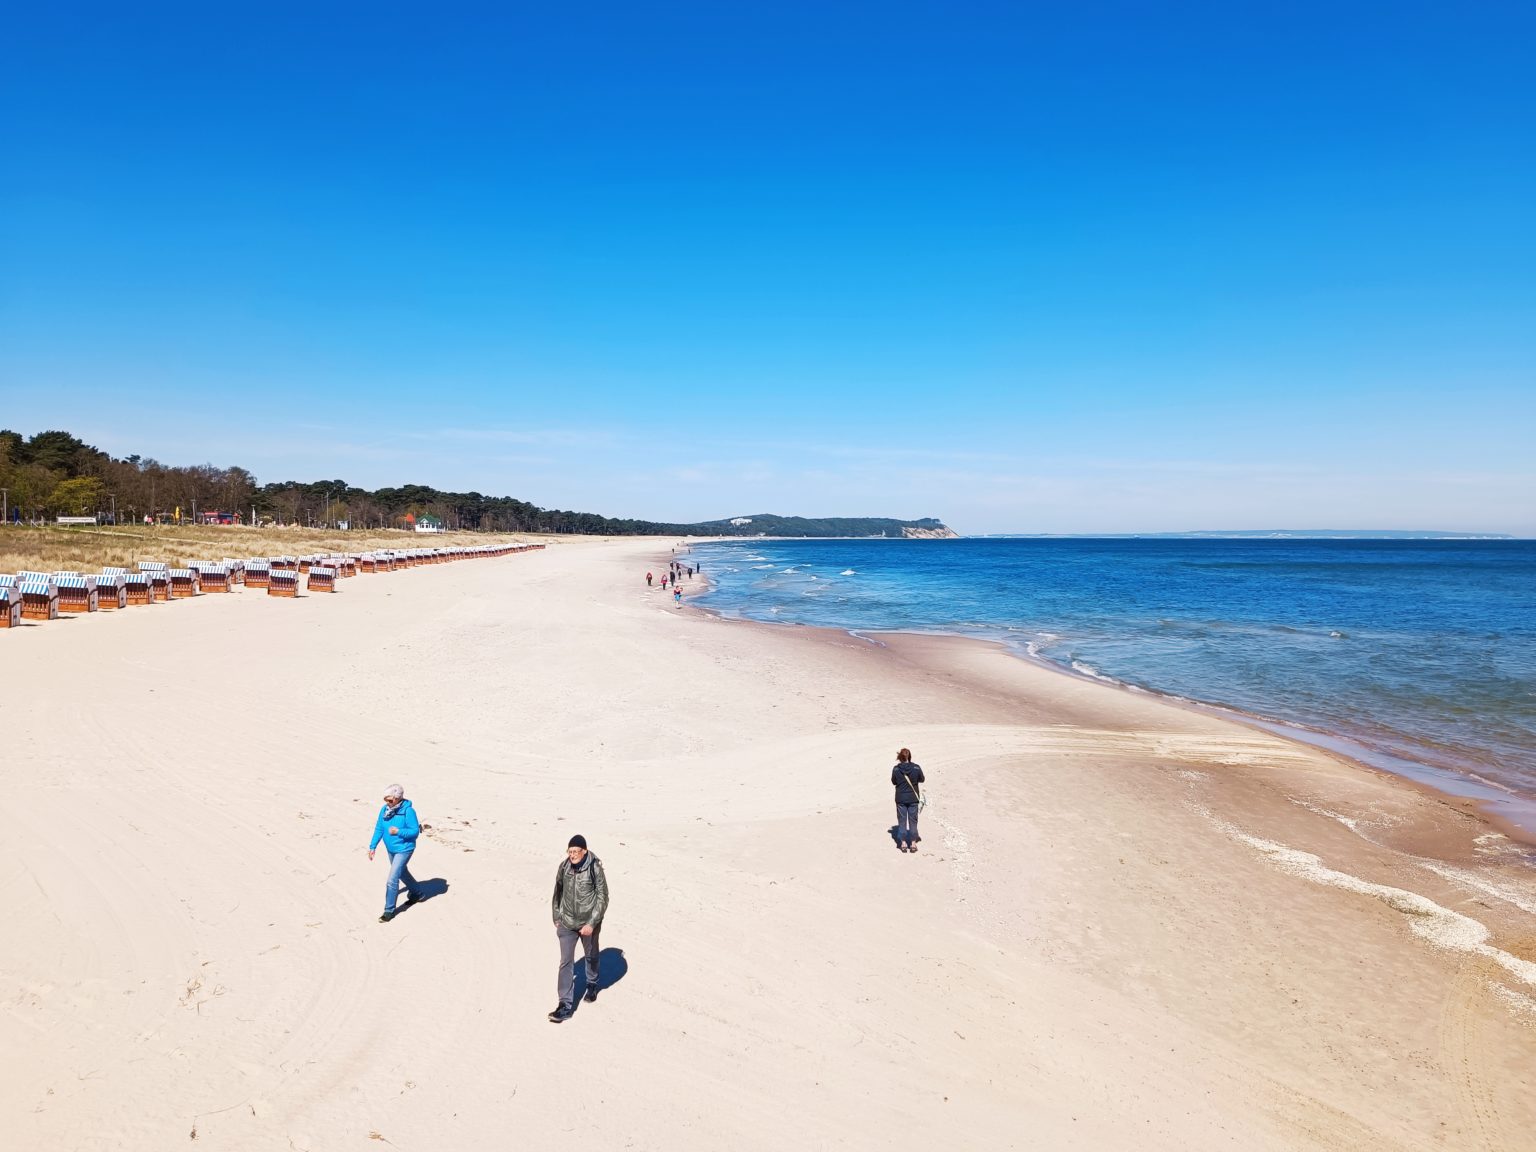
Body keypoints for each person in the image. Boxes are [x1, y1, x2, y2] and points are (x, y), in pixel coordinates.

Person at [549, 835, 610, 1022]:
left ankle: (592, 983)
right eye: (570, 851)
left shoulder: (594, 868)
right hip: (566, 923)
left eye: (576, 851)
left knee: (591, 955)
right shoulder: (564, 867)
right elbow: (557, 891)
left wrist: (591, 923)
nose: (572, 855)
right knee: (566, 962)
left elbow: (603, 897)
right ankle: (565, 1005)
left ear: (584, 851)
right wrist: (557, 916)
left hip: (587, 924)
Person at [369, 784, 424, 921]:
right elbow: (379, 828)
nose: (387, 803)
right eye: (385, 800)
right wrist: (373, 846)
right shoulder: (384, 810)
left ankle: (389, 910)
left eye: (390, 800)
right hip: (391, 849)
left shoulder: (408, 811)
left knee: (392, 879)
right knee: (402, 873)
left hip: (404, 849)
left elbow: (414, 832)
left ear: (398, 798)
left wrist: (398, 831)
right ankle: (417, 893)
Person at [891, 749, 925, 853]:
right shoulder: (916, 767)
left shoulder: (896, 769)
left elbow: (893, 781)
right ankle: (913, 843)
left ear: (900, 757)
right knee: (913, 820)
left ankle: (904, 843)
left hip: (900, 798)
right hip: (913, 798)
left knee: (902, 820)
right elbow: (922, 779)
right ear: (909, 756)